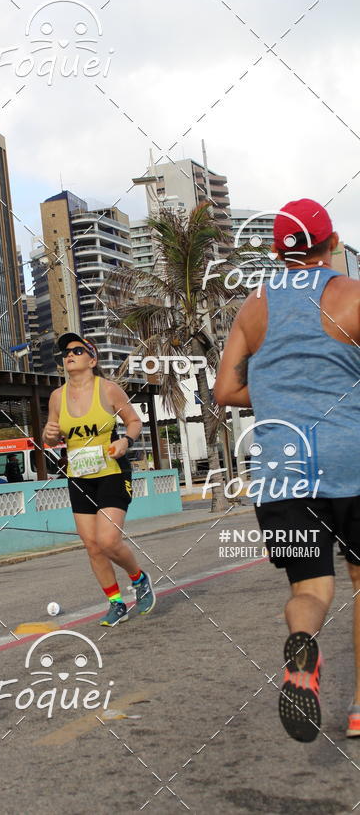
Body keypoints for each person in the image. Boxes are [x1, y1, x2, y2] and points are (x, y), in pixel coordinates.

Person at [214, 199, 360, 742]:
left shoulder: (254, 307)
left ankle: (302, 655)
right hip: (351, 459)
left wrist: (282, 396)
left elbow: (225, 390)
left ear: (278, 253)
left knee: (311, 588)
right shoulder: (352, 295)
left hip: (282, 471)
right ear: (333, 243)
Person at [42, 332, 156, 626]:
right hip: (79, 477)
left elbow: (134, 421)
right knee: (92, 546)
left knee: (108, 540)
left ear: (92, 360)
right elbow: (51, 436)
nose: (70, 354)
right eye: (66, 352)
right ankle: (116, 603)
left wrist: (125, 442)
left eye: (77, 350)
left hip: (111, 472)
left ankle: (139, 579)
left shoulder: (108, 390)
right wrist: (49, 434)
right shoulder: (57, 397)